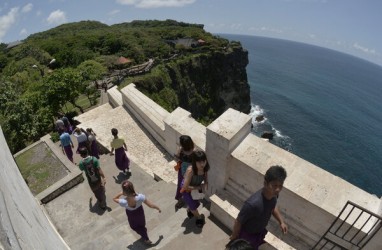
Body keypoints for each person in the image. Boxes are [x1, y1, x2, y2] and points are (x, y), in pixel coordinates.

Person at [230, 165, 288, 250]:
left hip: (259, 232)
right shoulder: (252, 204)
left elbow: (273, 206)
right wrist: (234, 237)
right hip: (246, 236)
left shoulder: (273, 196)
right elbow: (238, 221)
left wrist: (281, 222)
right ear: (265, 183)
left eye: (280, 186)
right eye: (274, 185)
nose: (278, 189)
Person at [113, 180, 161, 245]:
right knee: (142, 224)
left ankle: (146, 238)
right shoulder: (140, 197)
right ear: (133, 188)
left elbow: (114, 198)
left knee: (134, 227)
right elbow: (151, 205)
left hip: (131, 215)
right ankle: (144, 233)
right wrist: (158, 208)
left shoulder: (123, 202)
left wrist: (121, 193)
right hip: (140, 212)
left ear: (124, 192)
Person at [180, 150, 210, 228]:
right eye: (199, 162)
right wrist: (199, 187)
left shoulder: (205, 169)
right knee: (193, 206)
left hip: (195, 189)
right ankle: (199, 218)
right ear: (194, 162)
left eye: (203, 161)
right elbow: (185, 187)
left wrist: (205, 185)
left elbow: (206, 180)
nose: (202, 164)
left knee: (194, 203)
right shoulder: (191, 171)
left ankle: (189, 210)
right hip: (187, 190)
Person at [174, 135, 195, 209]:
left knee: (181, 185)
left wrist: (179, 150)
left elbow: (176, 158)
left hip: (182, 172)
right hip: (191, 172)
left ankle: (180, 199)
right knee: (190, 185)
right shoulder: (194, 151)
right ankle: (190, 199)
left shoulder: (181, 151)